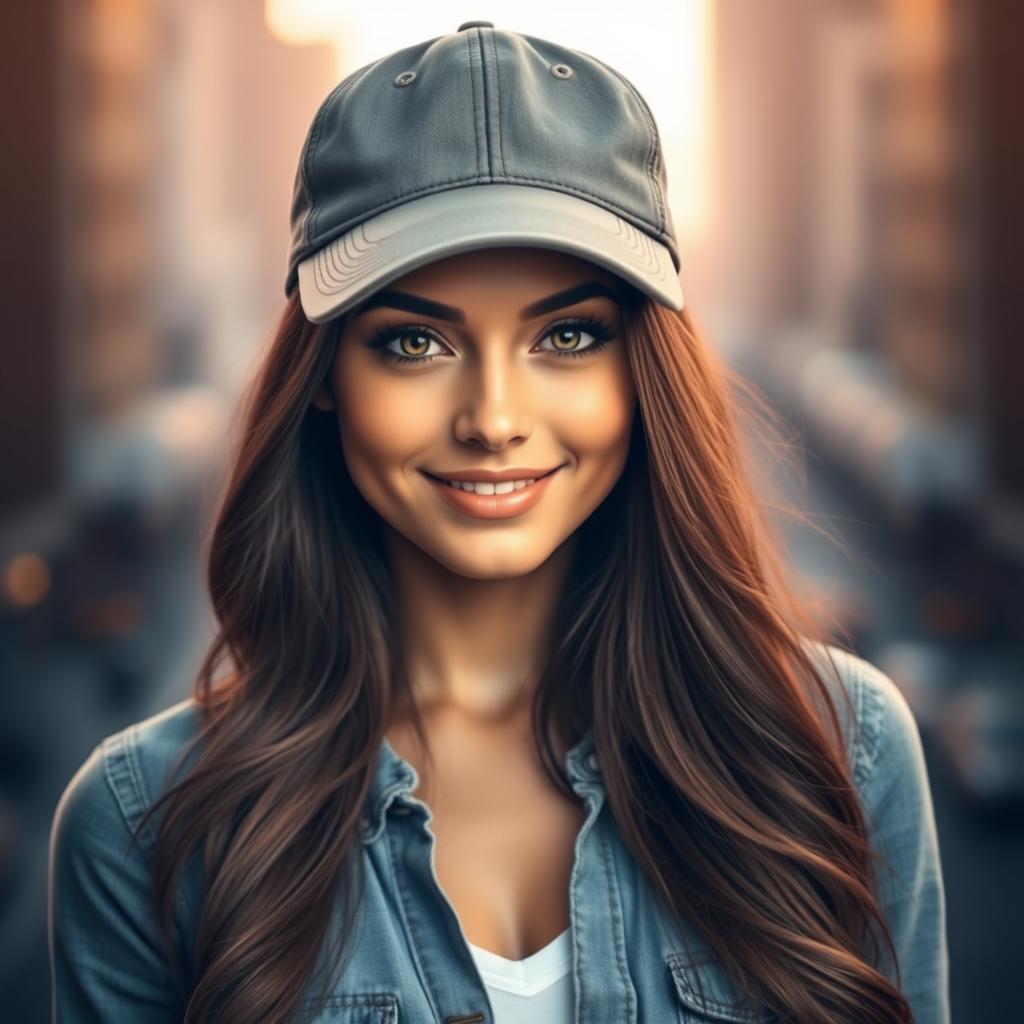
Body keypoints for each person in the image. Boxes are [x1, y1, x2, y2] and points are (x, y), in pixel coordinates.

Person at [47, 21, 949, 1024]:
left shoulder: (841, 752)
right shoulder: (141, 826)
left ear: (641, 370)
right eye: (415, 342)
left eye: (566, 335)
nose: (494, 419)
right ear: (323, 381)